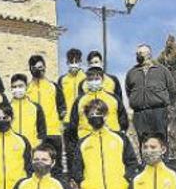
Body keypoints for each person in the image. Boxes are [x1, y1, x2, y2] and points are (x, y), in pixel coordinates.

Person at [126, 43, 176, 144]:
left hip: (159, 112)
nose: (138, 55)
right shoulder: (132, 72)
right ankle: (145, 160)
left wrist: (168, 107)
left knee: (160, 141)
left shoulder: (162, 70)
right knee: (143, 143)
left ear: (149, 54)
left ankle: (163, 160)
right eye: (137, 53)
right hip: (139, 114)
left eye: (140, 53)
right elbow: (129, 91)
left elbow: (172, 90)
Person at [68, 66, 129, 145]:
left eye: (96, 79)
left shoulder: (113, 98)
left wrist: (120, 134)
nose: (93, 81)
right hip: (86, 141)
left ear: (102, 80)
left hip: (111, 140)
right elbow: (73, 124)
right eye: (90, 79)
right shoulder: (80, 100)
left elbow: (123, 118)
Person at [26, 55, 66, 177]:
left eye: (41, 67)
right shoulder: (27, 89)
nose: (39, 70)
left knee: (56, 166)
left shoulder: (53, 86)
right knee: (36, 165)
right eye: (36, 67)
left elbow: (62, 107)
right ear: (31, 69)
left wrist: (57, 121)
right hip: (35, 135)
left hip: (53, 133)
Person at [58, 48, 85, 176]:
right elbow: (58, 100)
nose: (74, 63)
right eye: (71, 61)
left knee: (83, 149)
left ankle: (83, 175)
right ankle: (71, 177)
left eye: (76, 61)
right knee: (69, 150)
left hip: (83, 121)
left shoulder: (86, 78)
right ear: (67, 62)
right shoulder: (62, 80)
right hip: (67, 121)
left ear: (80, 61)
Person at [8, 73, 46, 148]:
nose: (17, 89)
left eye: (20, 86)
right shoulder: (6, 108)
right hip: (12, 149)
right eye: (14, 87)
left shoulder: (36, 107)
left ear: (26, 87)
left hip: (32, 148)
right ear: (11, 89)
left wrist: (38, 145)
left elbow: (42, 131)